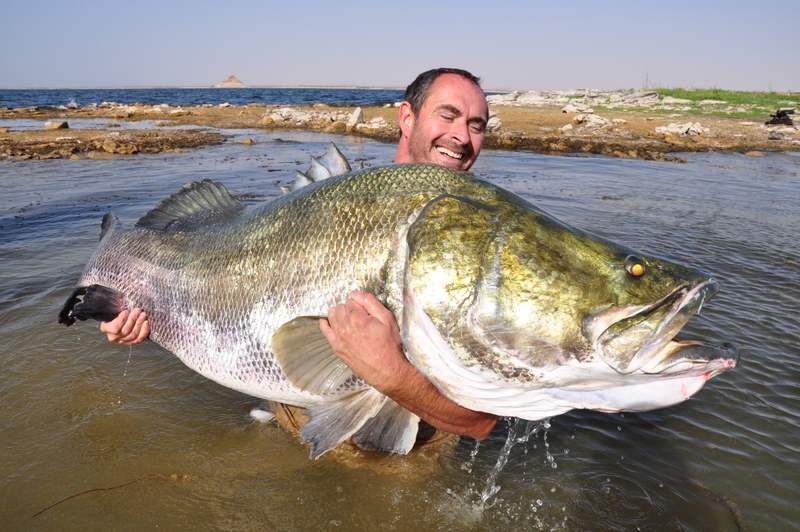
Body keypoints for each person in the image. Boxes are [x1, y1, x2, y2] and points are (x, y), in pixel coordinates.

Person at [101, 68, 500, 441]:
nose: (462, 137)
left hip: (421, 430)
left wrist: (393, 376)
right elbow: (228, 300)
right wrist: (136, 312)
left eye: (476, 125)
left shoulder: (476, 233)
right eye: (447, 116)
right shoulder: (340, 202)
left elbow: (481, 421)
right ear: (407, 119)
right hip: (295, 410)